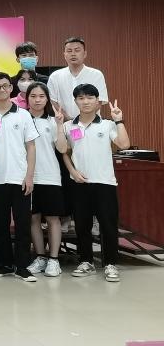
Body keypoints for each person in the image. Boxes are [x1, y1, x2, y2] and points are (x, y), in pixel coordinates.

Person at [63, 84, 129, 282]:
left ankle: (110, 264)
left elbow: (124, 144)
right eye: (81, 98)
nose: (85, 101)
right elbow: (65, 152)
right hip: (79, 182)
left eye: (90, 97)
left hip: (104, 182)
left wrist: (119, 120)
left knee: (108, 225)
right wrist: (72, 171)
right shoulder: (69, 126)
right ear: (76, 101)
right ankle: (86, 261)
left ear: (98, 102)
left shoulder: (107, 124)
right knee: (82, 225)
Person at [0, 71, 39, 281]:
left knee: (23, 224)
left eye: (5, 85)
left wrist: (29, 176)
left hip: (20, 178)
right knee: (0, 225)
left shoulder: (23, 114)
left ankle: (22, 266)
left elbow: (31, 146)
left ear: (11, 88)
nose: (1, 89)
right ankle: (5, 264)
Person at [25, 82, 66, 278]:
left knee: (52, 218)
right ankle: (40, 257)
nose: (37, 100)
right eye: (33, 96)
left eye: (41, 96)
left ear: (47, 99)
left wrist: (59, 125)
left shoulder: (53, 121)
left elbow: (62, 148)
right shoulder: (22, 119)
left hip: (50, 176)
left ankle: (54, 259)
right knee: (33, 218)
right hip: (27, 177)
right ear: (27, 99)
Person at [48, 37, 109, 120]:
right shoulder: (55, 76)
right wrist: (69, 120)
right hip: (64, 123)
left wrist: (81, 121)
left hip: (91, 122)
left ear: (85, 54)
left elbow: (99, 101)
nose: (73, 54)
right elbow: (53, 101)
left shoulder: (96, 75)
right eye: (69, 51)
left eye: (77, 50)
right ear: (64, 55)